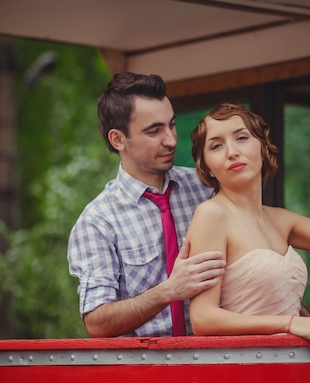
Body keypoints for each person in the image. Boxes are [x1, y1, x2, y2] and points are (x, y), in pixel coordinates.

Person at [186, 102, 310, 357]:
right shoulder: (211, 215)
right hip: (240, 366)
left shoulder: (281, 220)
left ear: (262, 146)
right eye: (216, 145)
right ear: (206, 166)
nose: (232, 152)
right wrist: (291, 324)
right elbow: (202, 319)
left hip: (290, 364)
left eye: (242, 138)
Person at [67, 72, 226, 338]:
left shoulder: (206, 188)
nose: (172, 140)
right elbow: (97, 321)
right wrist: (170, 290)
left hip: (219, 363)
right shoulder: (98, 221)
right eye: (154, 131)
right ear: (118, 139)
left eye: (171, 125)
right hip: (148, 372)